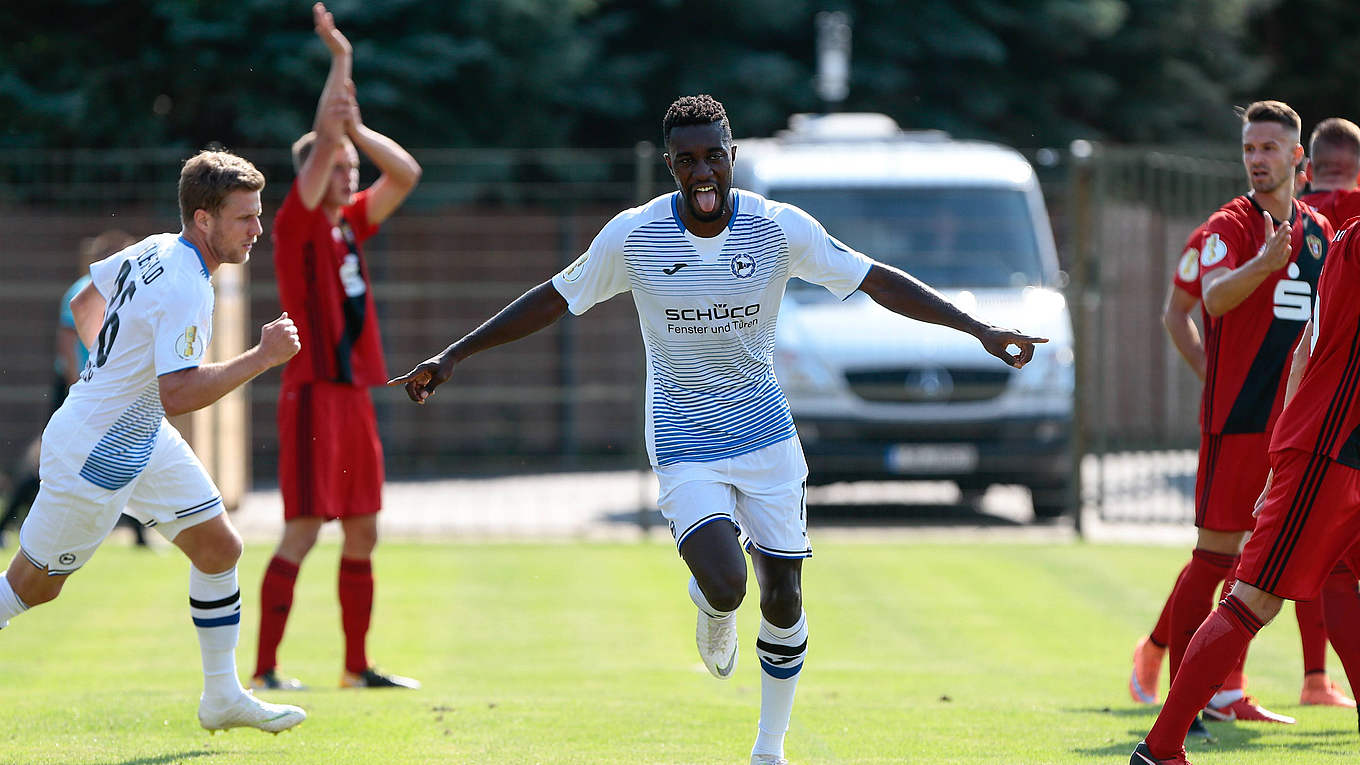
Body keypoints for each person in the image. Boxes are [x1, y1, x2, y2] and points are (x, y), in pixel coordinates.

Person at [390, 94, 1047, 765]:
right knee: (730, 584)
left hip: (765, 432)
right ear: (670, 165)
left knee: (784, 598)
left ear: (732, 157)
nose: (702, 172)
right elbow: (555, 298)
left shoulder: (777, 228)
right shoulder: (635, 236)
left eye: (713, 157)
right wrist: (454, 355)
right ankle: (711, 604)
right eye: (687, 160)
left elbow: (874, 279)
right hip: (684, 438)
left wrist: (978, 329)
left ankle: (769, 749)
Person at [0, 149, 307, 734]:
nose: (257, 229)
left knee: (220, 549)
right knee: (29, 590)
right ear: (204, 219)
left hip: (137, 434)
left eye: (258, 215)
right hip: (96, 454)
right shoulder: (188, 285)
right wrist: (262, 357)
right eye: (245, 217)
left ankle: (223, 698)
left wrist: (110, 379)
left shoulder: (155, 247)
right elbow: (179, 394)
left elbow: (83, 301)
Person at [1130, 190, 1360, 765]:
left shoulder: (1330, 235)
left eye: (1270, 147)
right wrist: (1285, 451)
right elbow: (1192, 305)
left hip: (1319, 444)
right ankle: (1163, 745)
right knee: (1241, 586)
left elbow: (1303, 349)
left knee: (1331, 586)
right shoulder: (1235, 224)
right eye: (1251, 148)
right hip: (1321, 448)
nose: (1258, 156)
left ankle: (1294, 682)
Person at [251, 2, 422, 692]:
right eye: (342, 165)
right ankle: (265, 669)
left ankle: (356, 667)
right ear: (314, 174)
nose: (352, 173)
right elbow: (322, 143)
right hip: (312, 393)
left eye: (352, 165)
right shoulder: (296, 225)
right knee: (302, 530)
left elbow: (405, 174)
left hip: (354, 396)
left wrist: (358, 130)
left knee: (363, 530)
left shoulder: (349, 222)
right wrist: (341, 61)